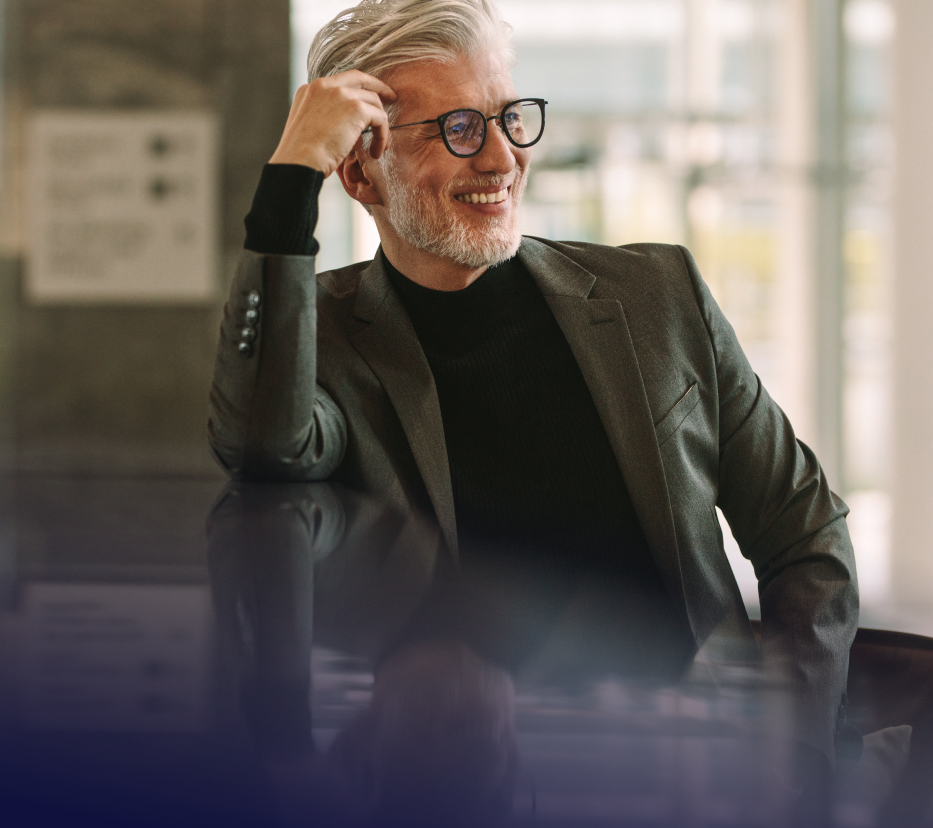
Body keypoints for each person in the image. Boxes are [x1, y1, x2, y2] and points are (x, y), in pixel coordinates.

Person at [207, 0, 857, 781]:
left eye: (509, 117)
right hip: (462, 783)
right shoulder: (327, 343)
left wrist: (794, 748)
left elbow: (806, 530)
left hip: (693, 767)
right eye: (459, 129)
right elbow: (260, 445)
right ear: (359, 173)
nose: (501, 159)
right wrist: (288, 185)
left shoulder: (657, 295)